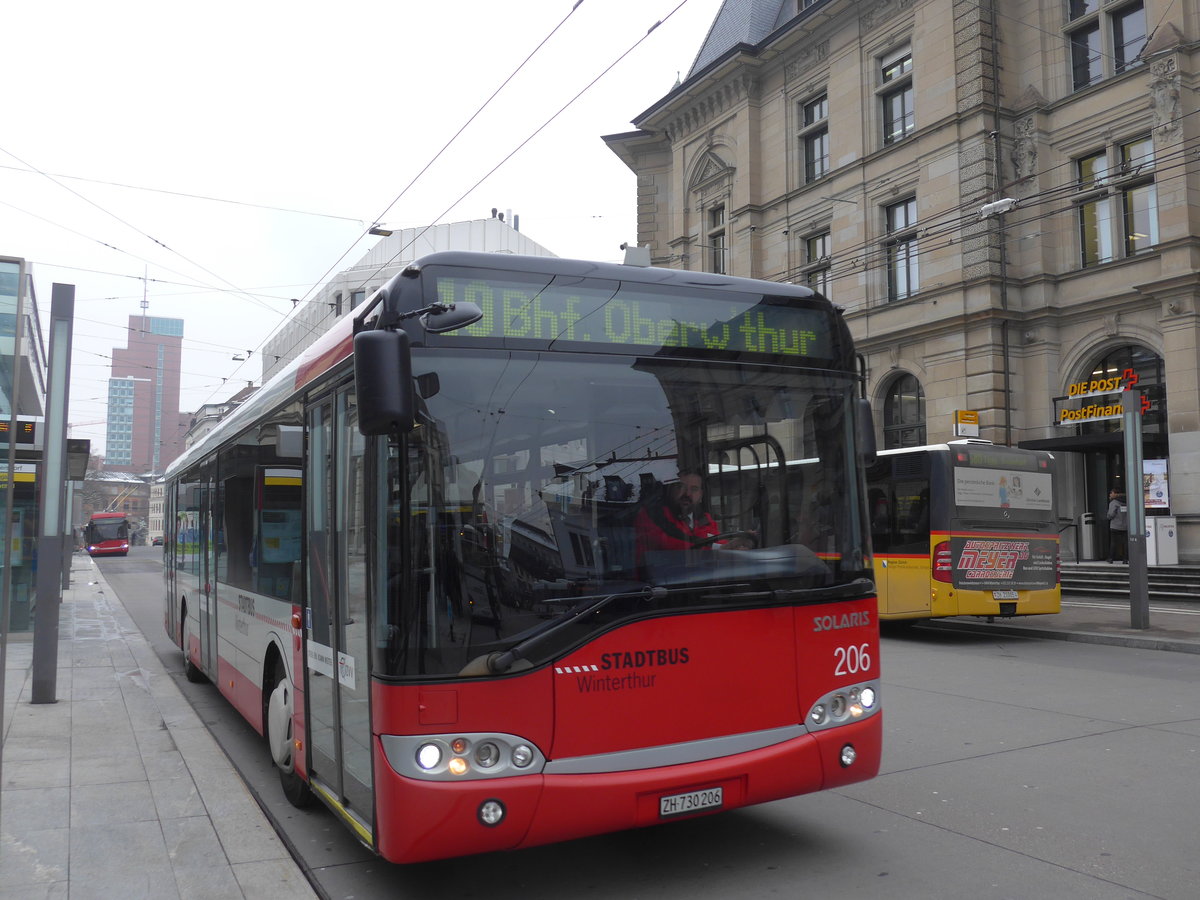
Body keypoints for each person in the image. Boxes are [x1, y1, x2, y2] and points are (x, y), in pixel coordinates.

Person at [634, 469, 754, 572]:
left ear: (701, 495)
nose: (687, 494)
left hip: (697, 586)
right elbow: (672, 545)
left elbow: (717, 543)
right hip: (658, 590)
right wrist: (721, 550)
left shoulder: (705, 520)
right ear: (671, 491)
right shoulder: (651, 516)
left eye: (694, 489)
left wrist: (735, 548)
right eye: (681, 487)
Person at [1106, 488, 1128, 563]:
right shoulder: (1126, 501)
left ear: (1115, 494)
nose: (1110, 494)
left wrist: (1108, 516)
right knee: (1125, 543)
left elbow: (1110, 515)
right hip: (1125, 525)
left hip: (1115, 526)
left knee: (1113, 542)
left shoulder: (1114, 503)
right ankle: (1125, 559)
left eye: (1111, 493)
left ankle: (1111, 558)